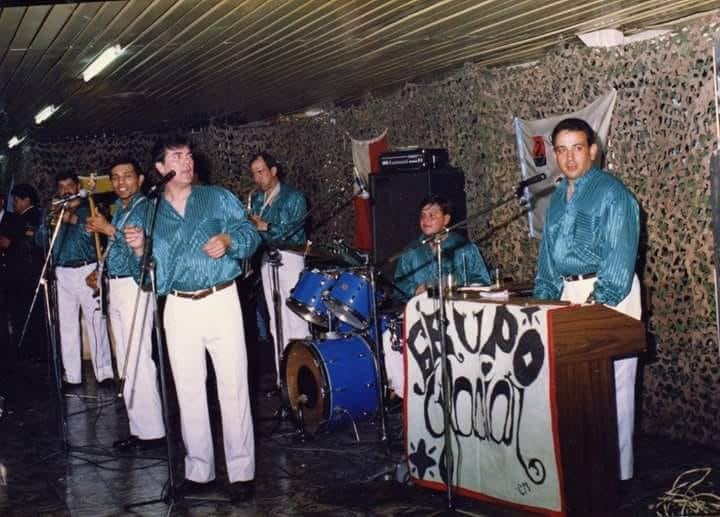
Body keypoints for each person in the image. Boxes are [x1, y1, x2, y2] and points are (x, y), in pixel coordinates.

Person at [125, 133, 261, 502]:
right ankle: (199, 470)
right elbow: (150, 276)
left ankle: (241, 472)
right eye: (176, 157)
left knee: (232, 386)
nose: (186, 162)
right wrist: (140, 250)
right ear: (159, 168)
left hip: (221, 299)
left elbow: (249, 232)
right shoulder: (149, 211)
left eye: (188, 155)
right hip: (179, 307)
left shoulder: (215, 197)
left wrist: (230, 242)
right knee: (187, 390)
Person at [533, 117, 641, 481]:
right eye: (561, 150)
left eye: (577, 148)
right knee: (575, 390)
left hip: (611, 294)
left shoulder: (612, 192)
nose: (569, 157)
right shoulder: (557, 199)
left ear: (593, 151)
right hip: (569, 296)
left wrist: (598, 304)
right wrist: (542, 304)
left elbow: (620, 254)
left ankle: (618, 476)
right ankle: (585, 472)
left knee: (612, 389)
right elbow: (548, 259)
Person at [84, 157, 165, 450]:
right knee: (126, 361)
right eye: (115, 177)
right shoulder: (121, 209)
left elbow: (142, 250)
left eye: (127, 176)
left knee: (138, 356)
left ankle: (154, 431)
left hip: (135, 285)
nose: (121, 182)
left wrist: (108, 230)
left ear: (140, 179)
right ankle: (139, 427)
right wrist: (100, 270)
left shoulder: (147, 208)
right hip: (116, 284)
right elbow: (115, 249)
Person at [391, 195, 492, 394]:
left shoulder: (464, 248)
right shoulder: (411, 251)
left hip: (460, 320)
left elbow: (483, 281)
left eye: (432, 215)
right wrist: (414, 289)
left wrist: (458, 286)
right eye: (423, 215)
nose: (425, 220)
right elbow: (398, 283)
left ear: (446, 219)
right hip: (422, 321)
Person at [36, 172, 112, 385]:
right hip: (62, 273)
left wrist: (74, 219)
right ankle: (72, 375)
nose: (65, 190)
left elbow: (93, 237)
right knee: (67, 325)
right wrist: (49, 222)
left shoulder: (89, 207)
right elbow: (40, 242)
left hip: (87, 270)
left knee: (96, 321)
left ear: (77, 186)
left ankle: (104, 372)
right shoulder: (55, 213)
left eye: (69, 185)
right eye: (61, 187)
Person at [248, 152, 308, 391]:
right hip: (267, 259)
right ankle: (283, 379)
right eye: (254, 173)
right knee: (275, 321)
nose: (257, 178)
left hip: (290, 258)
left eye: (261, 171)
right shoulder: (258, 199)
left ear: (274, 171)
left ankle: (303, 378)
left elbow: (294, 231)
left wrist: (265, 226)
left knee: (296, 320)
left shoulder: (294, 197)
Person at [9, 183, 44, 360]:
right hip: (29, 274)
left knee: (28, 314)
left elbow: (25, 245)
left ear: (26, 200)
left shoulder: (27, 218)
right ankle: (33, 350)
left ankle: (31, 352)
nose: (13, 204)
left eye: (15, 200)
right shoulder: (33, 216)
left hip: (26, 274)